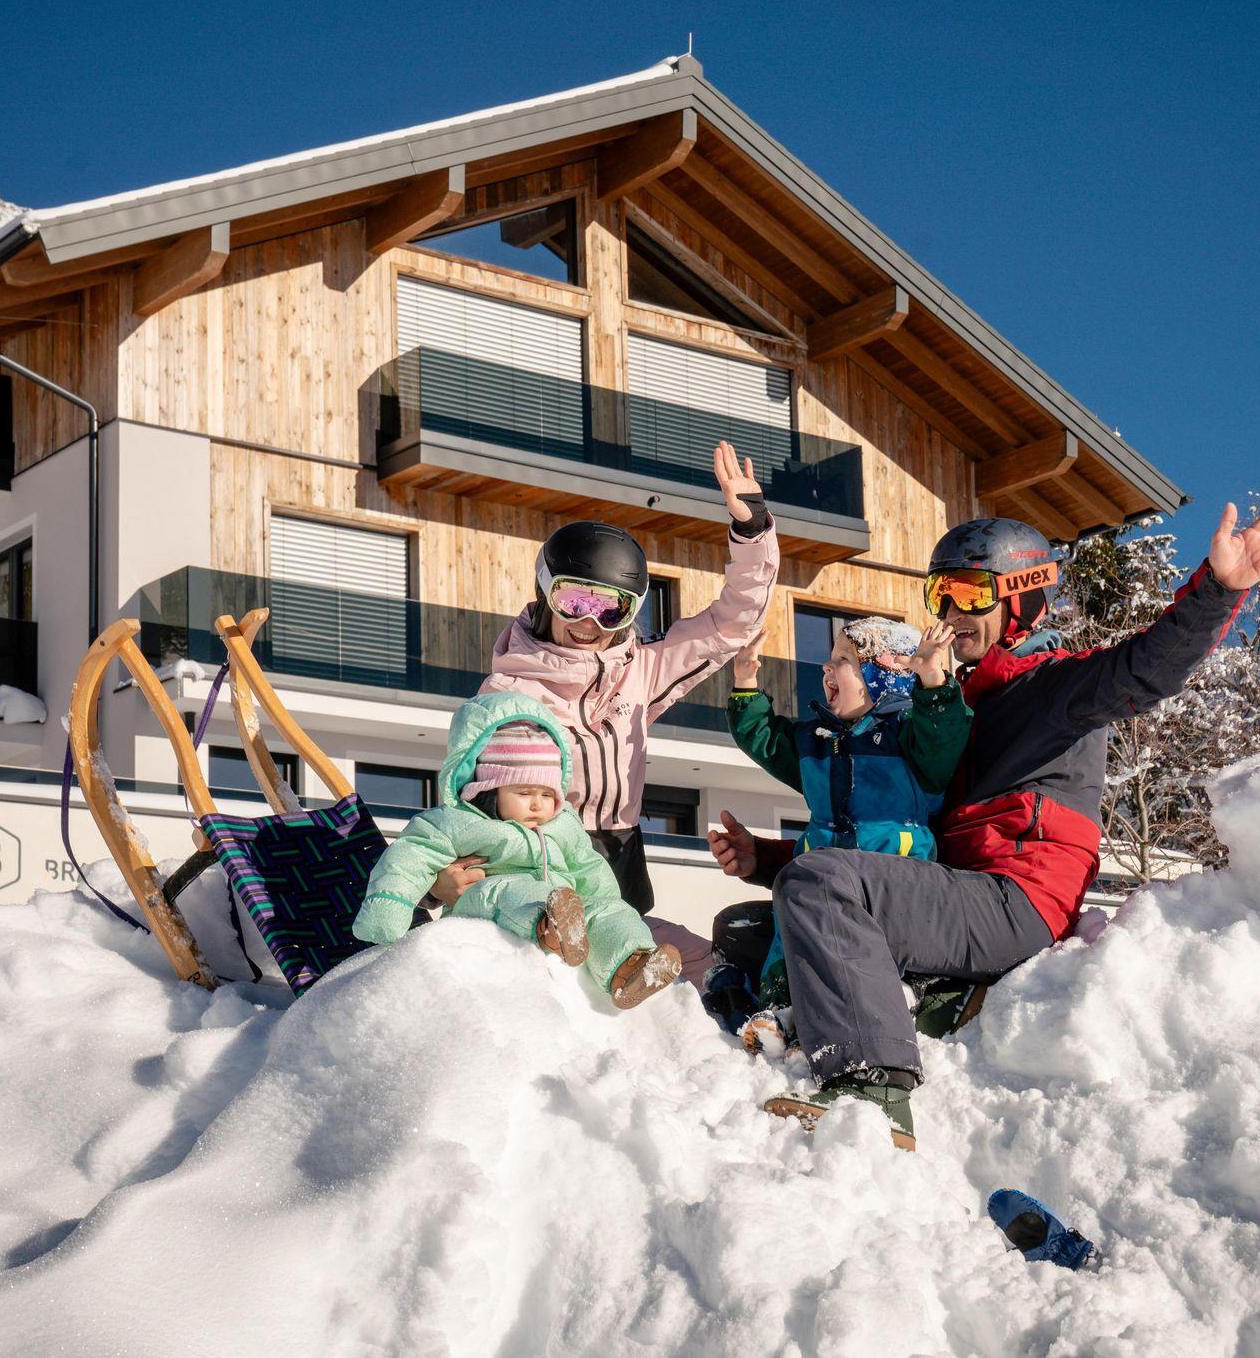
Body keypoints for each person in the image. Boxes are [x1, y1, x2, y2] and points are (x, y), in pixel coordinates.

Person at [708, 501, 1260, 1150]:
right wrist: (772, 862)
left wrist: (1217, 590)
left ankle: (873, 1091)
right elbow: (894, 826)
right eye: (940, 593)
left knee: (817, 890)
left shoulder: (1053, 688)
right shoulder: (950, 705)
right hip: (952, 893)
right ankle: (934, 1002)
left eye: (970, 592)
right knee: (748, 929)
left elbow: (1146, 668)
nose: (950, 610)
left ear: (1024, 599)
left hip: (1016, 899)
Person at [463, 439, 779, 929]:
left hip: (622, 849)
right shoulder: (507, 693)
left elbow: (731, 624)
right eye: (575, 601)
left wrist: (752, 529)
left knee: (639, 958)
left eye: (612, 609)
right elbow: (471, 792)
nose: (590, 623)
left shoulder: (639, 669)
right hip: (543, 853)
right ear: (545, 592)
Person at [352, 692, 683, 1008]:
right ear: (489, 789)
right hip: (487, 901)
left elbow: (587, 866)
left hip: (565, 904)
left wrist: (609, 906)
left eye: (547, 794)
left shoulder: (563, 825)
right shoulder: (460, 822)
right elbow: (410, 856)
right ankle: (550, 928)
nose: (538, 804)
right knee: (511, 889)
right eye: (524, 792)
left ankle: (631, 966)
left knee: (606, 911)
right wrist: (388, 909)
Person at [716, 616, 968, 1026]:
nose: (826, 667)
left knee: (870, 948)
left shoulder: (910, 738)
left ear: (882, 675)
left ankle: (904, 994)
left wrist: (932, 680)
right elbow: (765, 737)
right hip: (816, 880)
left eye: (843, 660)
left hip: (890, 879)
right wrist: (745, 683)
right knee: (791, 937)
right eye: (830, 658)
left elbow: (944, 734)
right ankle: (779, 1014)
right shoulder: (817, 743)